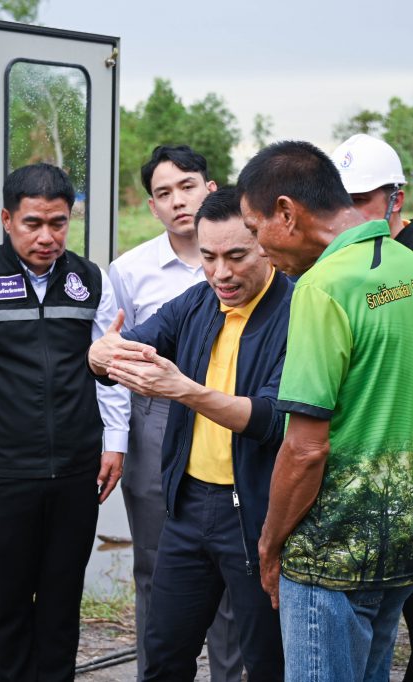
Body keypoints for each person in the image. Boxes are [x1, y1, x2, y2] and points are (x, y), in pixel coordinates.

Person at [240, 141, 413, 682]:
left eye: (255, 228)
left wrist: (269, 543)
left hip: (334, 551)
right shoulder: (410, 267)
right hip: (407, 536)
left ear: (287, 213)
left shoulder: (322, 287)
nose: (258, 249)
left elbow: (306, 448)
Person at [0, 163, 128, 681]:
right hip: (2, 472)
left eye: (58, 223)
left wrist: (115, 442)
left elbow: (110, 369)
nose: (47, 237)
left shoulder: (90, 281)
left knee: (63, 604)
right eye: (33, 223)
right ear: (6, 219)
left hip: (76, 469)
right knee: (10, 605)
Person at [90, 187, 288, 681]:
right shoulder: (197, 301)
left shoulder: (296, 310)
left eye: (236, 256)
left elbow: (269, 418)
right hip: (188, 506)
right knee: (163, 652)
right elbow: (130, 345)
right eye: (209, 257)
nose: (221, 273)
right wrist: (102, 355)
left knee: (265, 659)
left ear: (265, 244)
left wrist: (183, 389)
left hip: (255, 513)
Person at [108, 145, 243, 681]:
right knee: (157, 566)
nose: (177, 201)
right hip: (156, 423)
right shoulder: (130, 270)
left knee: (234, 568)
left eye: (187, 186)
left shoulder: (249, 257)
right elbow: (115, 354)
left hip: (231, 419)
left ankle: (227, 674)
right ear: (151, 206)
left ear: (210, 189)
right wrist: (115, 441)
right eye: (163, 194)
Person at [331, 133, 413, 305]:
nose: (347, 213)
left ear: (396, 201)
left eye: (358, 200)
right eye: (339, 202)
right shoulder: (334, 267)